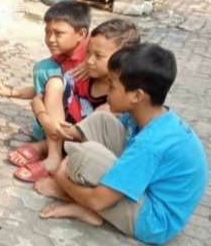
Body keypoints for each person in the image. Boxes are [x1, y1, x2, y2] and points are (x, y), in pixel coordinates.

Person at [35, 43, 208, 245]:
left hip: (154, 222)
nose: (107, 92)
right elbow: (104, 125)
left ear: (137, 96)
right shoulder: (150, 115)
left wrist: (60, 176)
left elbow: (98, 200)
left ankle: (80, 204)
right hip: (149, 189)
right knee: (102, 121)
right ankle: (87, 201)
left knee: (84, 156)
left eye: (112, 87)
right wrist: (48, 118)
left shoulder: (150, 144)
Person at [15, 19, 140, 182]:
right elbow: (38, 99)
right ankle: (53, 157)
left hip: (89, 147)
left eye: (98, 56)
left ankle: (46, 148)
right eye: (88, 52)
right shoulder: (82, 76)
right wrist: (45, 120)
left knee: (104, 114)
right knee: (54, 83)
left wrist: (55, 127)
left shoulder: (122, 95)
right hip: (60, 130)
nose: (89, 61)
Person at [0, 0, 90, 174]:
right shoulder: (61, 60)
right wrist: (10, 92)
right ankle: (52, 146)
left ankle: (49, 150)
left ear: (81, 34)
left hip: (87, 126)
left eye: (58, 33)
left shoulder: (92, 58)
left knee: (47, 73)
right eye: (47, 32)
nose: (50, 39)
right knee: (46, 70)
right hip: (62, 123)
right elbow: (44, 92)